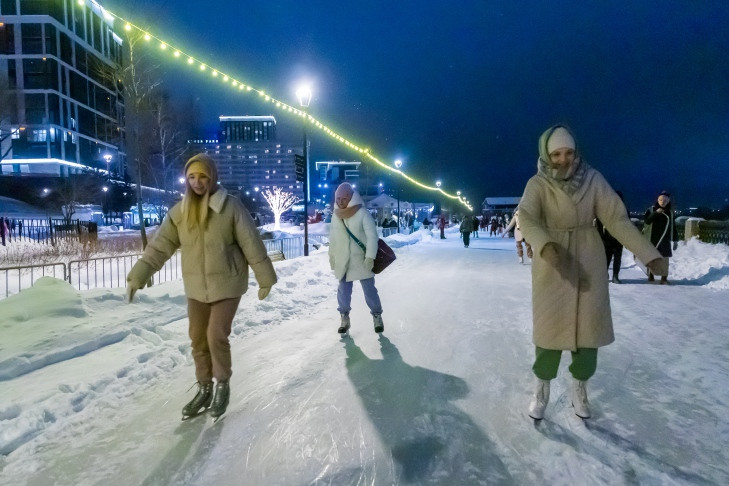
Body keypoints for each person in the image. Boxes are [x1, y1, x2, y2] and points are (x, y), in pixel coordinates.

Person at [518, 125, 667, 420]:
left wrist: (649, 253)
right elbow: (527, 217)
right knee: (549, 332)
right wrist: (545, 245)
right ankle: (541, 387)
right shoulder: (537, 184)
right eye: (556, 154)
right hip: (553, 262)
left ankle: (579, 388)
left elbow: (617, 219)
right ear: (547, 155)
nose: (563, 159)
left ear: (576, 152)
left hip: (588, 257)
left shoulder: (593, 179)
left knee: (588, 332)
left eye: (568, 152)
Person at [125, 154, 277, 421]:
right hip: (197, 287)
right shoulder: (180, 213)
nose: (197, 182)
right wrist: (138, 276)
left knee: (215, 334)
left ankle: (222, 385)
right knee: (197, 336)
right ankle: (204, 386)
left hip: (228, 283)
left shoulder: (231, 207)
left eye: (203, 176)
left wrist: (265, 278)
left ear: (212, 177)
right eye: (192, 177)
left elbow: (251, 243)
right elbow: (159, 247)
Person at [329, 182, 385, 335]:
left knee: (369, 291)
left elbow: (372, 237)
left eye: (344, 198)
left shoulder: (362, 213)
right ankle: (344, 318)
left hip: (361, 260)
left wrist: (370, 257)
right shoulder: (336, 215)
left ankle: (377, 315)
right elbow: (333, 238)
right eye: (338, 198)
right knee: (343, 293)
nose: (340, 201)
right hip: (343, 261)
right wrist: (331, 256)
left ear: (351, 197)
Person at [643, 190, 679, 284]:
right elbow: (647, 221)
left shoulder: (670, 213)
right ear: (658, 200)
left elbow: (673, 227)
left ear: (668, 202)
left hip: (665, 240)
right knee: (652, 258)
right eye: (661, 200)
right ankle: (651, 275)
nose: (663, 202)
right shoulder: (651, 210)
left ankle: (664, 278)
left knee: (664, 259)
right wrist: (656, 213)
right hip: (652, 238)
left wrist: (675, 240)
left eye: (665, 201)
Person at [596, 191, 627, 283]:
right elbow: (599, 224)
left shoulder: (624, 211)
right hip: (606, 239)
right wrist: (601, 236)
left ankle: (615, 276)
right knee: (605, 259)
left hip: (618, 239)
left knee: (617, 259)